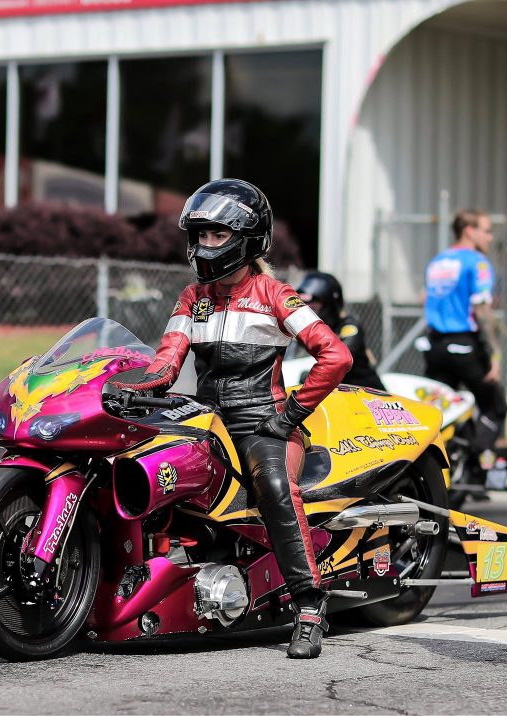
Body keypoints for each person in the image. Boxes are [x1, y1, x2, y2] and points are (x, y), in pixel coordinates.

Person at [112, 178, 352, 659]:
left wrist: (290, 416)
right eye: (200, 235)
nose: (205, 245)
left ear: (248, 238)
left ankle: (309, 606)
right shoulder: (193, 296)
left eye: (217, 235)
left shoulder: (275, 294)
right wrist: (122, 388)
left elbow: (336, 355)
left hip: (264, 423)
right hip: (206, 421)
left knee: (276, 489)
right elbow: (165, 365)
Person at [422, 209, 507, 453]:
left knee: (439, 412)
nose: (490, 238)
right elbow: (481, 310)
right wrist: (495, 353)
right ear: (469, 231)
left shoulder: (438, 261)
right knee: (495, 407)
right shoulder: (477, 262)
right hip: (464, 345)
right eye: (487, 231)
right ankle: (476, 469)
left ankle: (440, 470)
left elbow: (425, 298)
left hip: (435, 346)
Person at [295, 271, 385, 391]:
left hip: (367, 396)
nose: (308, 311)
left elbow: (340, 359)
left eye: (313, 306)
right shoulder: (307, 330)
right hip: (339, 394)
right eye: (305, 305)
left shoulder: (349, 327)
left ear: (330, 305)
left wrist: (312, 376)